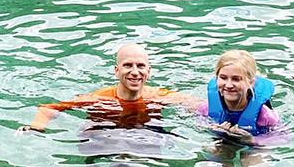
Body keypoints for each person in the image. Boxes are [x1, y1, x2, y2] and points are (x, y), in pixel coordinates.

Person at [17, 43, 202, 134]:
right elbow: (48, 109)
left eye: (140, 66)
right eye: (128, 65)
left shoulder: (159, 96)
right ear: (116, 71)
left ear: (149, 71)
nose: (135, 72)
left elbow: (202, 106)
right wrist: (34, 130)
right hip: (103, 136)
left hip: (143, 134)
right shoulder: (100, 98)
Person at [198, 49, 284, 145]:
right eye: (223, 78)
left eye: (236, 79)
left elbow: (283, 138)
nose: (229, 85)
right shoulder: (206, 109)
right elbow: (198, 125)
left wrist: (251, 140)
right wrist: (210, 129)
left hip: (253, 147)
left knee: (254, 159)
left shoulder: (265, 115)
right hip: (222, 142)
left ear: (250, 83)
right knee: (214, 154)